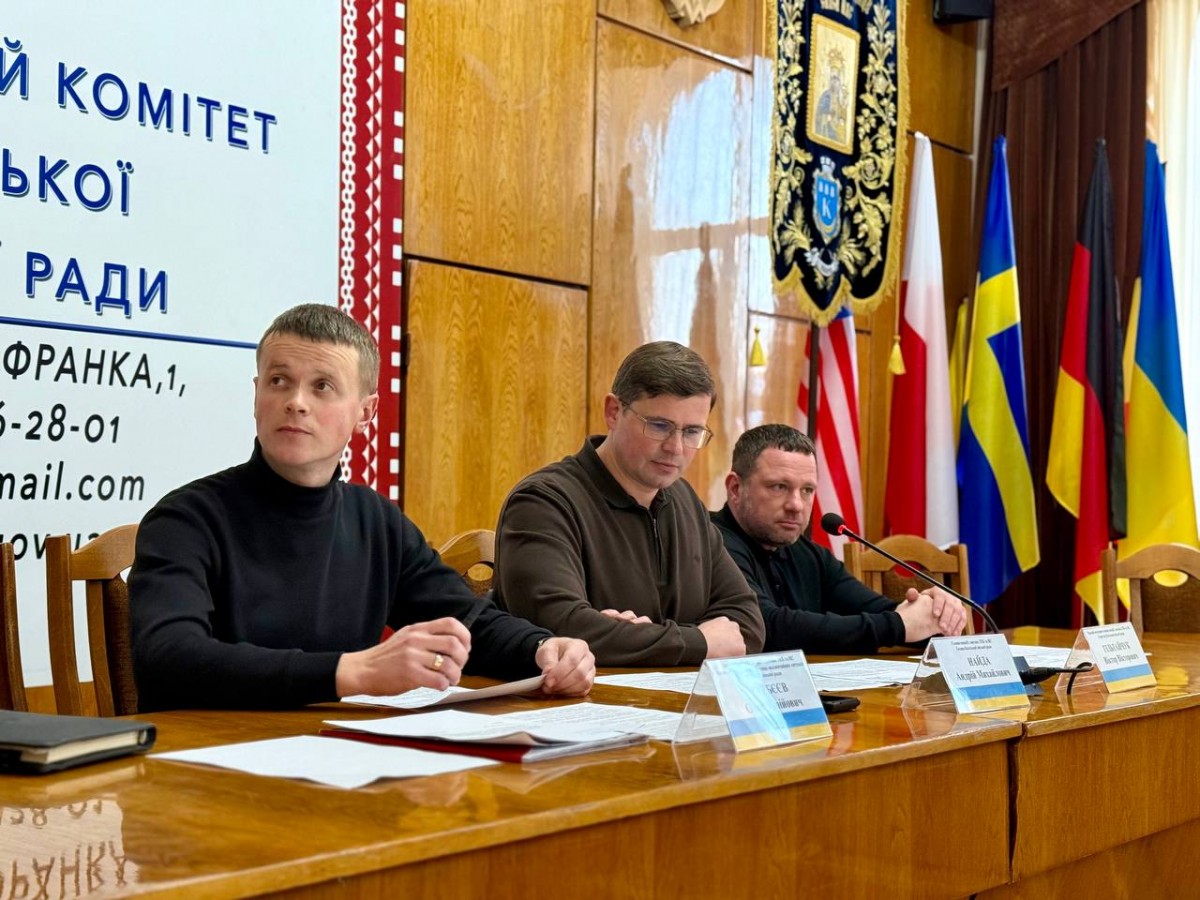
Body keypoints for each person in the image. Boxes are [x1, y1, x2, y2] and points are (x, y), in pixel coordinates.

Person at [130, 303, 594, 710]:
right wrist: (353, 672)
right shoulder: (186, 519)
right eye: (278, 381)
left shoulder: (375, 521)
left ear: (365, 412)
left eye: (322, 386)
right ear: (256, 394)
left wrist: (542, 648)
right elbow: (169, 656)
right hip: (205, 760)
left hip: (341, 755)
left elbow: (464, 625)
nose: (295, 402)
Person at [494, 341, 765, 667]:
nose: (676, 448)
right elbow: (560, 628)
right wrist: (698, 641)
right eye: (660, 426)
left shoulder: (685, 500)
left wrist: (641, 639)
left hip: (674, 695)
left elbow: (746, 623)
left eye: (692, 431)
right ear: (613, 412)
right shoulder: (543, 502)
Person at [712, 424, 966, 654]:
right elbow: (768, 626)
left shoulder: (808, 554)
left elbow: (877, 610)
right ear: (735, 488)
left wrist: (934, 614)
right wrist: (898, 625)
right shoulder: (711, 543)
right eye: (779, 487)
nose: (796, 505)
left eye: (807, 490)